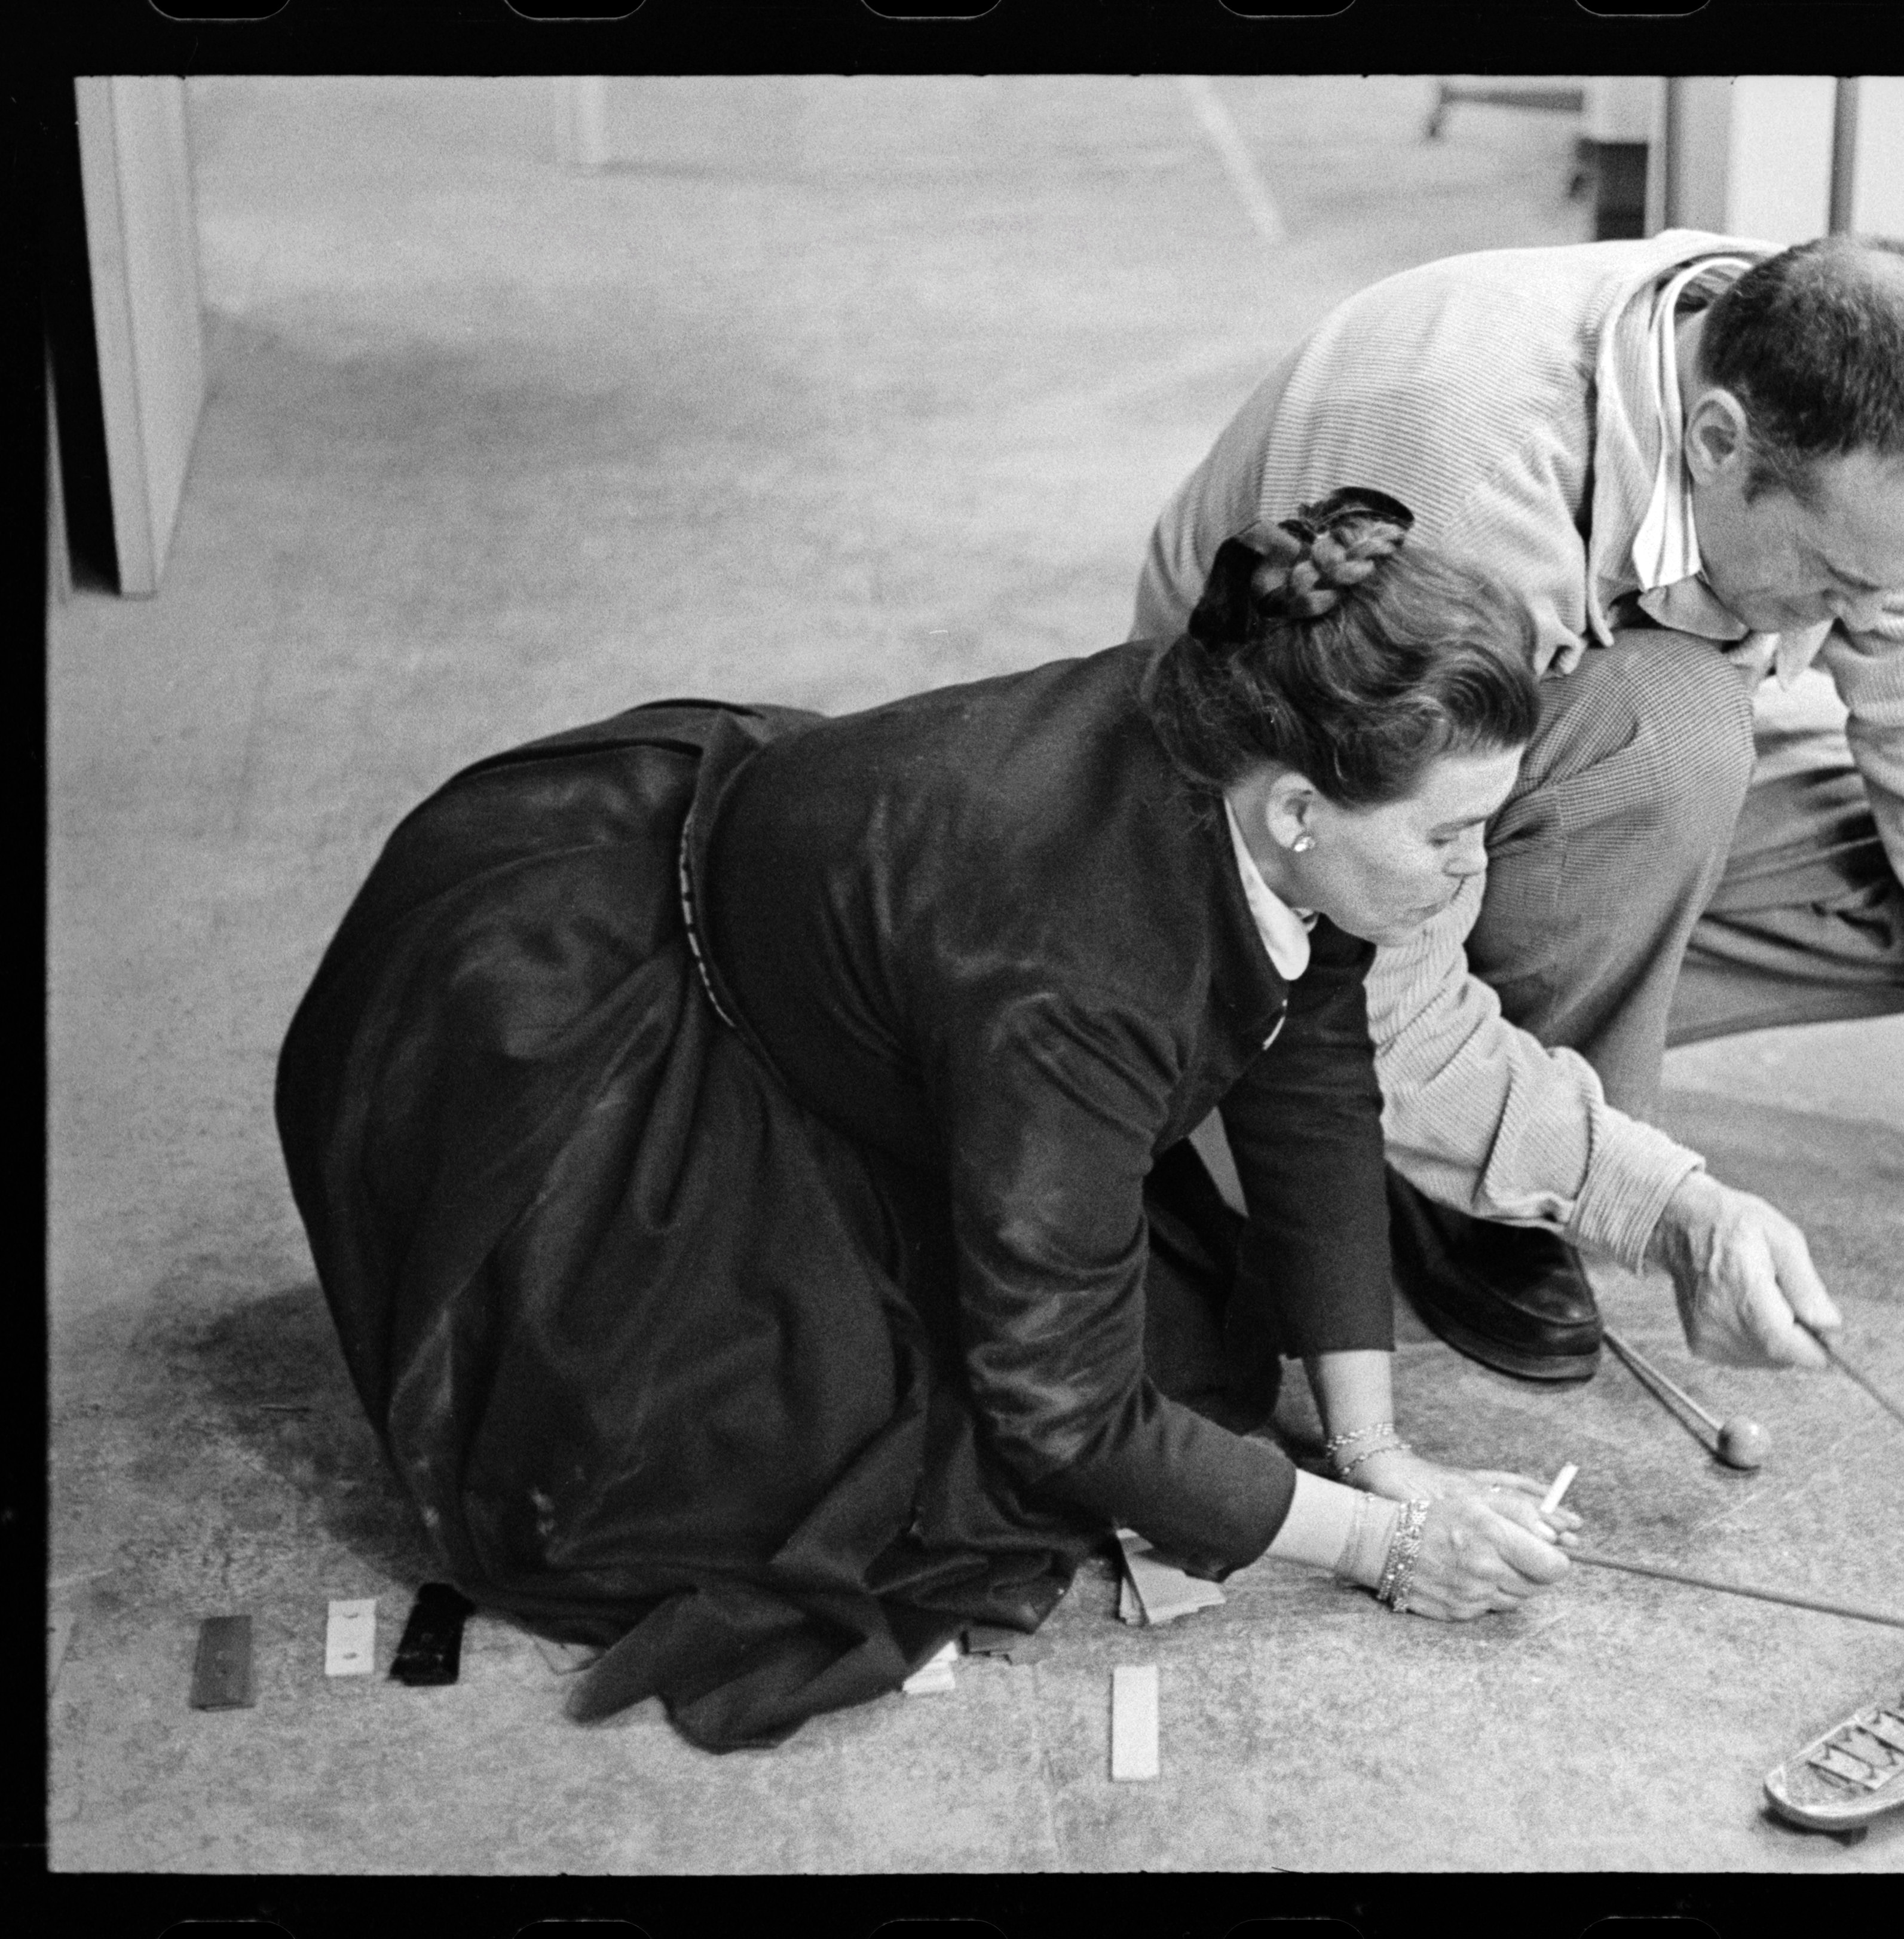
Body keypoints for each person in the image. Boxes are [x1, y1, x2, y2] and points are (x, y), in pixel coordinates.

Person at [276, 489, 1578, 1753]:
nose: (1473, 870)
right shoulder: (1078, 975)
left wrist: (1375, 1449)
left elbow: (1314, 1078)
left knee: (1170, 1360)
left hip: (873, 945)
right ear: (1295, 813)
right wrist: (1384, 1545)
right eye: (1451, 838)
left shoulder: (1253, 746)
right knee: (838, 1492)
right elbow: (1063, 1410)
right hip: (589, 1021)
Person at [1137, 231, 1904, 1387]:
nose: (1858, 617)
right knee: (1673, 728)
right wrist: (1657, 1202)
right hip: (1286, 833)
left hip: (1510, 776)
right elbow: (1379, 957)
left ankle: (1516, 1090)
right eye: (1835, 582)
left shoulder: (1869, 467)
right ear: (1716, 441)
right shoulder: (1470, 490)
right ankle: (1456, 1167)